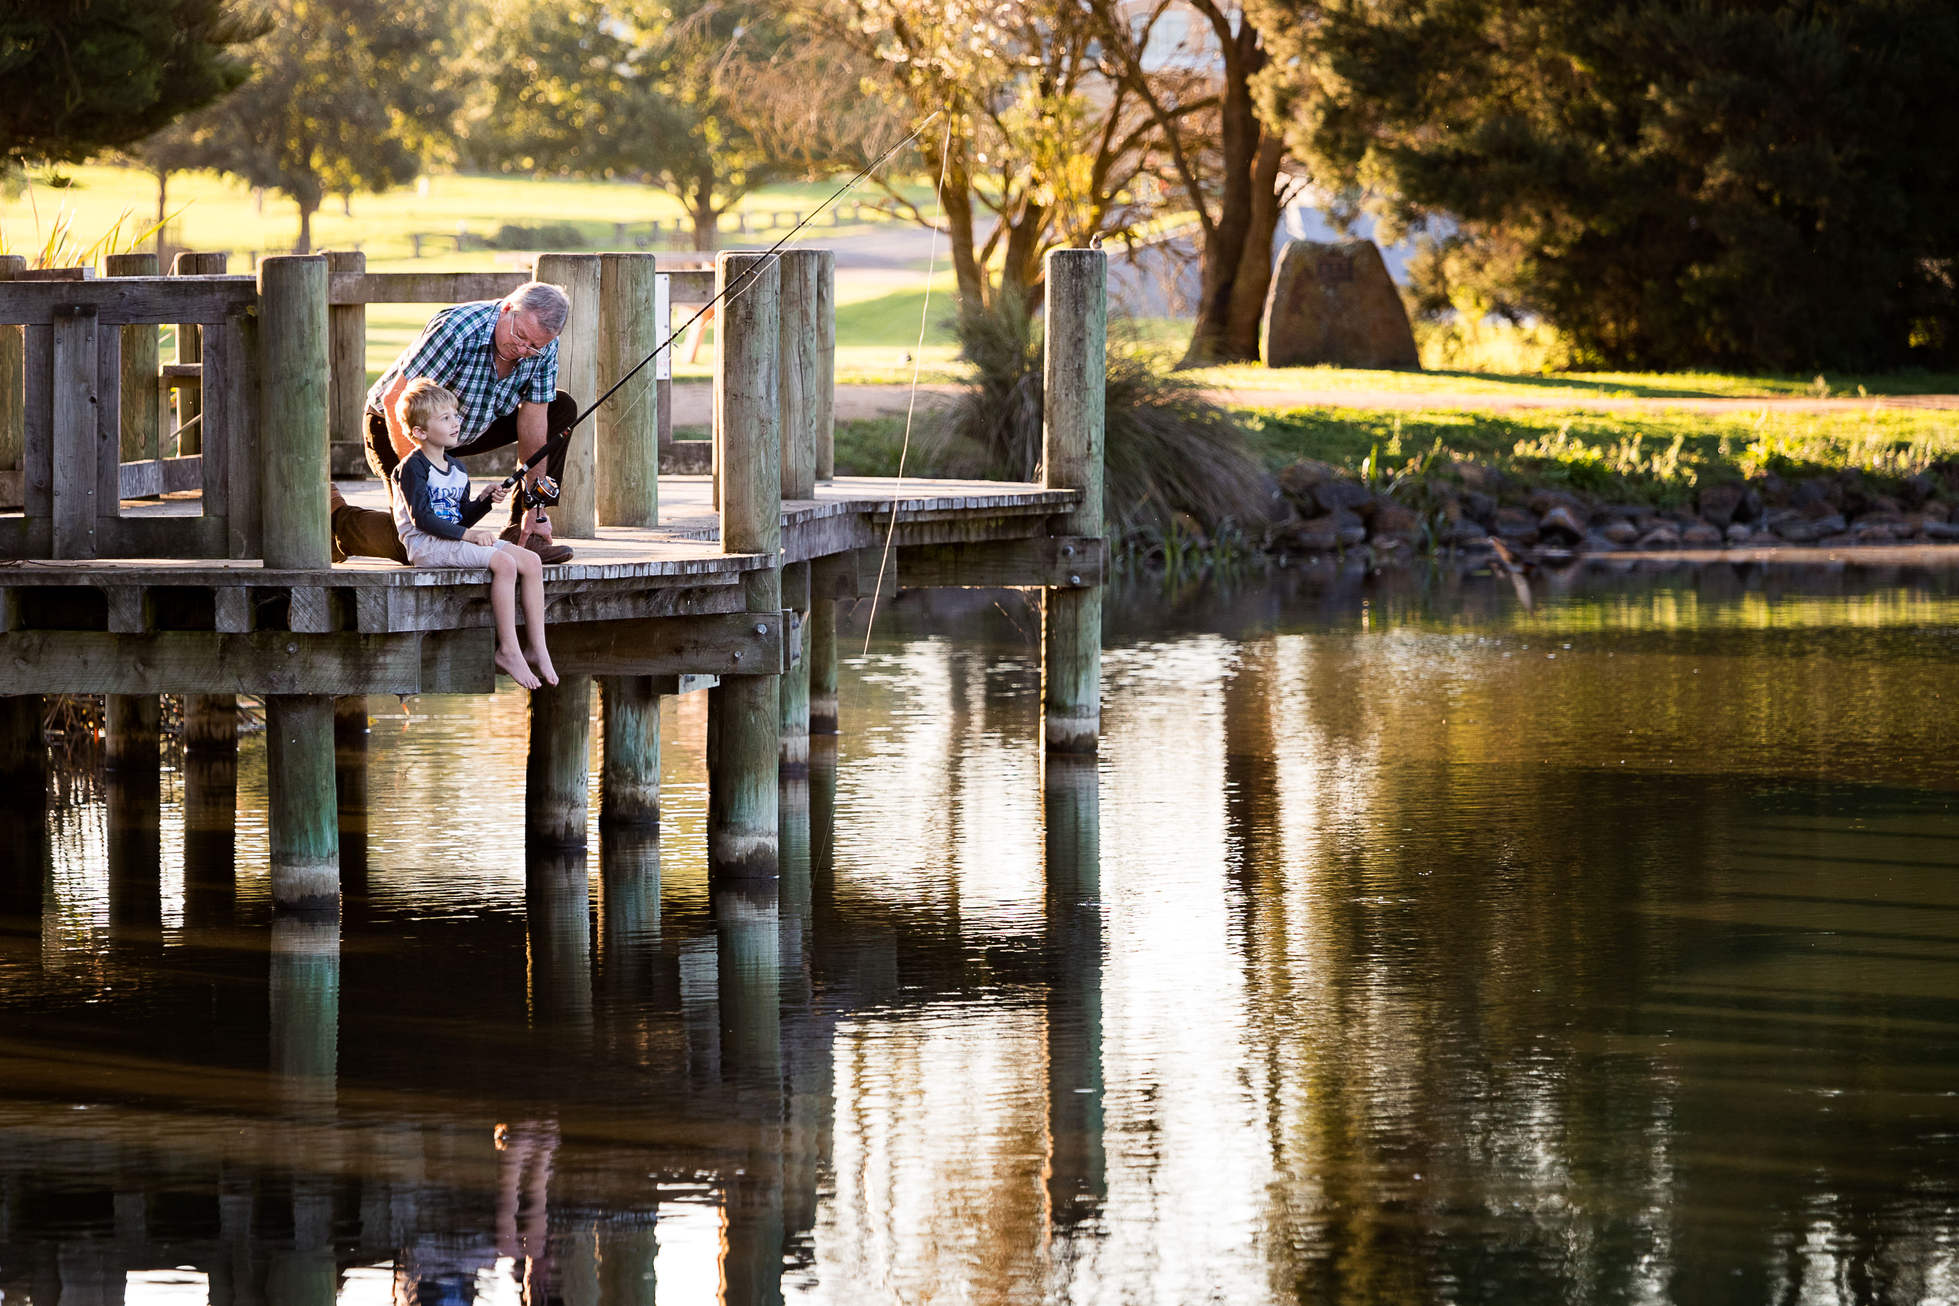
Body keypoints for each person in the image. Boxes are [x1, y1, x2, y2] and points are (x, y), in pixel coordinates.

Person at [331, 280, 578, 564]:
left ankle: (522, 533)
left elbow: (535, 423)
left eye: (534, 346)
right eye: (520, 336)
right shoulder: (458, 330)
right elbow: (395, 399)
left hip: (464, 427)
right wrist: (423, 477)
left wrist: (536, 508)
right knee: (422, 543)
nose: (523, 349)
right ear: (508, 308)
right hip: (399, 425)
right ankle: (337, 519)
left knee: (560, 408)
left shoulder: (543, 347)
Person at [392, 378, 558, 691]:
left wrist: (483, 501)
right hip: (426, 546)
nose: (456, 423)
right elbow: (422, 518)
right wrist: (468, 535)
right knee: (504, 564)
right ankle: (508, 649)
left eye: (455, 415)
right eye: (445, 418)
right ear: (419, 432)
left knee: (532, 561)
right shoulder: (413, 468)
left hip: (451, 540)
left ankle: (537, 647)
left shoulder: (457, 469)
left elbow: (460, 515)